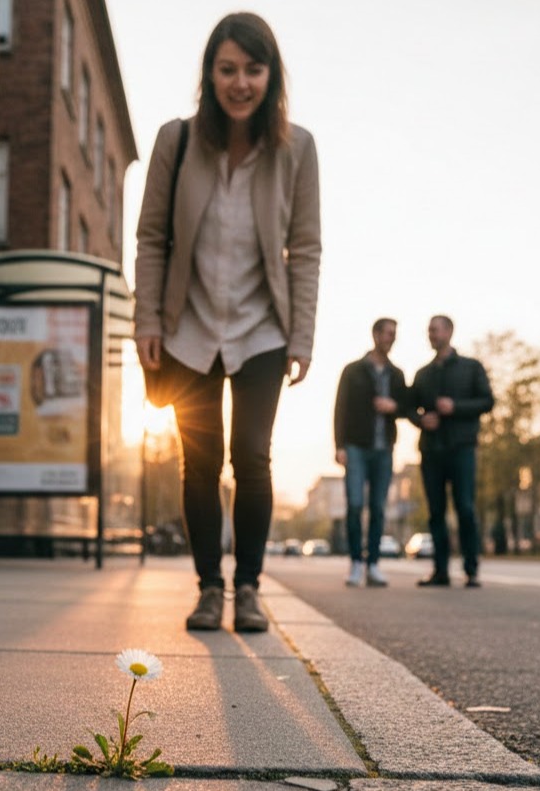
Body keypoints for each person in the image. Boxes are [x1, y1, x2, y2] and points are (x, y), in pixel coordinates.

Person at [133, 12, 321, 632]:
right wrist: (148, 320)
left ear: (271, 75)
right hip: (187, 327)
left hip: (262, 328)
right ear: (210, 73)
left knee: (253, 457)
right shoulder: (176, 141)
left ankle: (249, 589)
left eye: (253, 69)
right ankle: (209, 587)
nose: (240, 83)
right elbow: (152, 237)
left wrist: (302, 335)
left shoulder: (297, 149)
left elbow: (306, 247)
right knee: (199, 460)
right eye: (228, 69)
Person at [409, 315, 494, 588]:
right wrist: (421, 419)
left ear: (449, 331)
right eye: (429, 331)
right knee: (436, 512)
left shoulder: (471, 368)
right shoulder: (423, 374)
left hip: (462, 448)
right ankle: (440, 571)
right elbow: (408, 406)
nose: (431, 335)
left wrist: (455, 407)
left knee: (465, 508)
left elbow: (487, 401)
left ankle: (471, 570)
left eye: (435, 330)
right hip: (431, 450)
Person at [334, 318, 406, 588]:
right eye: (388, 333)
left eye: (394, 335)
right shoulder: (353, 371)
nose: (391, 338)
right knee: (354, 506)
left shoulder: (396, 374)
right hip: (355, 446)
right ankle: (355, 563)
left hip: (384, 449)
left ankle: (373, 564)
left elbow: (407, 406)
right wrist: (339, 446)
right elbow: (340, 408)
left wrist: (393, 407)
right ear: (375, 335)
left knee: (378, 507)